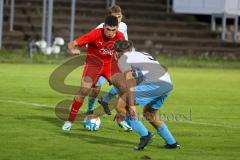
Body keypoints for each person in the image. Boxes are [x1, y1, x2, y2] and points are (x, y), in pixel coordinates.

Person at [112, 40, 180, 150]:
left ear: (116, 52)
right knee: (149, 114)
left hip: (155, 84)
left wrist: (131, 104)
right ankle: (172, 143)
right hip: (167, 84)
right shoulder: (142, 54)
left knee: (120, 106)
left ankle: (145, 135)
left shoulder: (123, 59)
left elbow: (130, 79)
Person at [62, 15, 125, 131]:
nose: (110, 33)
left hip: (109, 66)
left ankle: (121, 117)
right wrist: (73, 50)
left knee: (124, 88)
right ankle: (69, 121)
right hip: (93, 65)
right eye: (108, 29)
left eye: (113, 30)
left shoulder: (120, 36)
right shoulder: (95, 34)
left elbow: (122, 51)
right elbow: (71, 44)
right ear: (104, 26)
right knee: (84, 90)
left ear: (117, 28)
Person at [85, 5, 132, 131]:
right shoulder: (101, 28)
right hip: (101, 62)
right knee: (96, 87)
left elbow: (124, 42)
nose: (117, 19)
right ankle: (90, 109)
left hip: (117, 61)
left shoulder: (123, 26)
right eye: (114, 17)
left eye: (119, 16)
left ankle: (121, 118)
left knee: (124, 86)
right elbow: (89, 43)